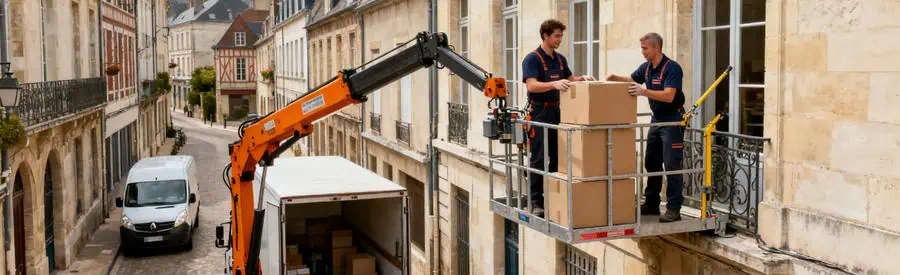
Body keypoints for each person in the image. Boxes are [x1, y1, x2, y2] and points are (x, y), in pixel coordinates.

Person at [606, 32, 686, 223]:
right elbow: (632, 79)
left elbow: (668, 95)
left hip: (672, 121)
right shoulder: (647, 68)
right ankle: (652, 202)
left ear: (656, 48)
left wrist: (643, 92)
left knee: (672, 164)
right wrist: (614, 77)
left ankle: (674, 208)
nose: (642, 52)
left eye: (645, 48)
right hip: (657, 120)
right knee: (651, 161)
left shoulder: (672, 68)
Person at [521, 19, 594, 217]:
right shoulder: (532, 59)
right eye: (557, 36)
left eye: (561, 36)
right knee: (538, 158)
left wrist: (582, 79)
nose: (560, 40)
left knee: (557, 157)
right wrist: (553, 85)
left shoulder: (560, 59)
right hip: (539, 113)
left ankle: (554, 197)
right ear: (545, 36)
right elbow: (532, 85)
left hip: (558, 113)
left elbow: (569, 80)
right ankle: (535, 201)